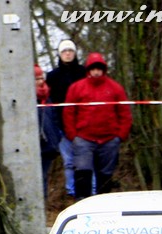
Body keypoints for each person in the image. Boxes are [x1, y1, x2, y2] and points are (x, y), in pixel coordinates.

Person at [62, 52, 132, 198]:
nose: (96, 72)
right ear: (88, 70)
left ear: (104, 69)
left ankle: (103, 204)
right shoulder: (76, 88)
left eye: (99, 68)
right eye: (93, 68)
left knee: (105, 175)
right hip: (83, 139)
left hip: (109, 139)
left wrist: (120, 136)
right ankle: (81, 204)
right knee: (82, 172)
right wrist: (73, 135)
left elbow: (124, 113)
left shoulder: (115, 88)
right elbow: (68, 112)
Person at [46, 39, 87, 197]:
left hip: (84, 125)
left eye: (70, 51)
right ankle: (72, 191)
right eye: (64, 51)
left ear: (75, 53)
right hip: (61, 125)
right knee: (69, 162)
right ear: (60, 54)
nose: (68, 54)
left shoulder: (84, 73)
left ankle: (90, 191)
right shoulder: (52, 76)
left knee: (87, 162)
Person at [36, 65, 63, 201]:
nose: (40, 81)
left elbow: (55, 118)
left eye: (41, 78)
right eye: (37, 79)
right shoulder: (26, 99)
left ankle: (42, 204)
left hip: (48, 143)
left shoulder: (48, 96)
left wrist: (57, 137)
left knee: (43, 176)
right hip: (34, 144)